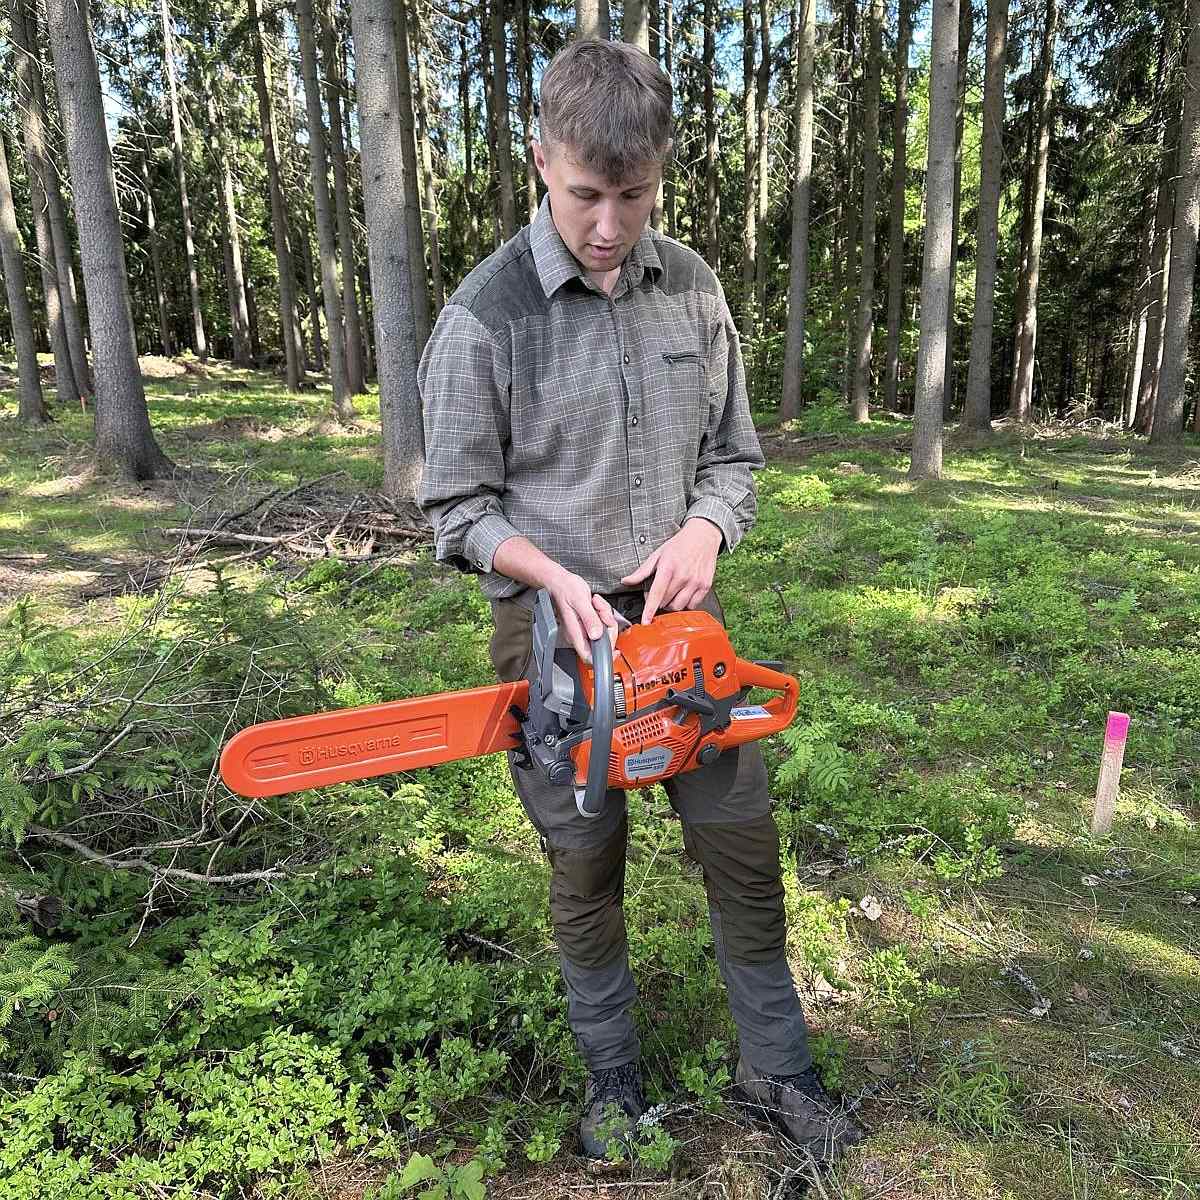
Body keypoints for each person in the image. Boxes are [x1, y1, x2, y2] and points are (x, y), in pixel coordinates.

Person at [417, 38, 863, 1166]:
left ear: (661, 173)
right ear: (540, 161)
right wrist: (553, 576)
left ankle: (778, 1069)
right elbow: (457, 509)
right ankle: (613, 1078)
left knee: (742, 846)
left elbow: (735, 459)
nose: (609, 225)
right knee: (586, 865)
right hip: (555, 637)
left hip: (683, 637)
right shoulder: (484, 318)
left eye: (635, 196)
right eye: (585, 196)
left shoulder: (694, 291)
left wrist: (707, 529)